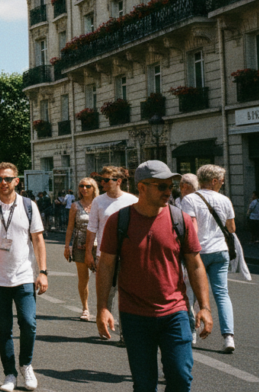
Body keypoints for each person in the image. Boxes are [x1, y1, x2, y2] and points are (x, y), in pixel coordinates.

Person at [96, 160, 213, 392]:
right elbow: (106, 265)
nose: (168, 191)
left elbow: (195, 264)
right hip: (134, 315)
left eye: (171, 186)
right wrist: (102, 307)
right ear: (141, 187)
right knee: (145, 384)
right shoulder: (119, 221)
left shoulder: (180, 220)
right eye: (161, 186)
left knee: (180, 378)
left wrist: (205, 307)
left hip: (175, 312)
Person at [0, 163, 48, 392]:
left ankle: (26, 365)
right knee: (3, 328)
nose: (2, 183)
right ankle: (9, 373)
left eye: (7, 179)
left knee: (28, 323)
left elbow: (38, 241)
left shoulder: (28, 205)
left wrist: (42, 272)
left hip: (24, 275)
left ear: (17, 181)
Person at [177, 165, 237, 353]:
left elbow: (189, 228)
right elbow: (232, 228)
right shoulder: (225, 200)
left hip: (198, 252)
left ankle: (191, 333)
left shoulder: (189, 200)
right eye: (221, 179)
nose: (222, 183)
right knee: (222, 293)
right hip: (220, 251)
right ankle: (228, 337)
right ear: (213, 181)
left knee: (191, 293)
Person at [84, 165, 138, 339]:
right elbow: (92, 228)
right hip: (104, 254)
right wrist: (88, 253)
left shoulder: (132, 200)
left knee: (127, 294)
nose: (103, 183)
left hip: (128, 255)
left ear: (118, 181)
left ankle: (125, 333)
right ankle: (104, 325)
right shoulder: (99, 201)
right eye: (102, 180)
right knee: (106, 292)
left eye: (107, 180)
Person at [64, 177, 97, 321]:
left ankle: (103, 308)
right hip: (80, 244)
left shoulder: (99, 203)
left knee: (103, 278)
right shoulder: (75, 206)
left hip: (99, 245)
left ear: (93, 188)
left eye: (87, 186)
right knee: (83, 278)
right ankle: (85, 308)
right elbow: (70, 227)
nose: (84, 189)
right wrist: (67, 246)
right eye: (81, 186)